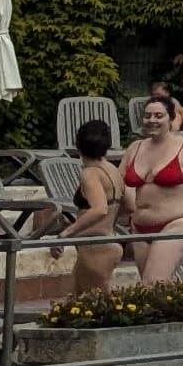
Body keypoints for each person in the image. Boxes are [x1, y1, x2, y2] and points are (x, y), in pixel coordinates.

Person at [118, 90, 183, 288]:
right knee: (151, 290)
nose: (152, 120)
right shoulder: (135, 148)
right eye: (147, 116)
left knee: (152, 283)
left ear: (171, 118)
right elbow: (118, 185)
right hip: (139, 226)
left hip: (175, 223)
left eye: (159, 116)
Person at [50, 116, 126, 297]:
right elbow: (129, 205)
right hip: (107, 241)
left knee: (96, 305)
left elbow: (99, 209)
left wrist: (65, 234)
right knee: (73, 299)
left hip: (95, 246)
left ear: (78, 146)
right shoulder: (113, 170)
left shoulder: (90, 174)